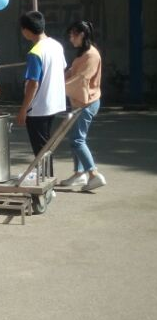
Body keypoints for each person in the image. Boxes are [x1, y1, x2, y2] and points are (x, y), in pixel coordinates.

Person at [17, 11, 66, 173]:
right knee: (45, 144)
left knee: (41, 148)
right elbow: (62, 68)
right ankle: (46, 176)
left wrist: (23, 109)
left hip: (38, 107)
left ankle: (47, 178)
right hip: (54, 103)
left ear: (26, 30)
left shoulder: (35, 52)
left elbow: (33, 83)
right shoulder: (56, 45)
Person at [61, 20, 105, 191]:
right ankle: (79, 173)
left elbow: (81, 79)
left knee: (77, 140)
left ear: (82, 34)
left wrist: (59, 87)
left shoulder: (92, 55)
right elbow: (72, 72)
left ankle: (94, 174)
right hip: (80, 102)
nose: (71, 38)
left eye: (73, 35)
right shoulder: (83, 53)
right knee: (75, 139)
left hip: (87, 102)